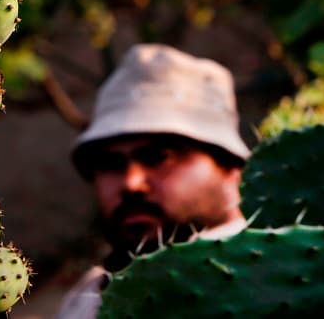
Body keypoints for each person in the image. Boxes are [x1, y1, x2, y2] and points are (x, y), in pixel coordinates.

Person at [54, 44, 250, 319]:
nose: (131, 183)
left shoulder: (282, 285)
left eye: (158, 157)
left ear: (232, 170)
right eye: (111, 165)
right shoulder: (86, 298)